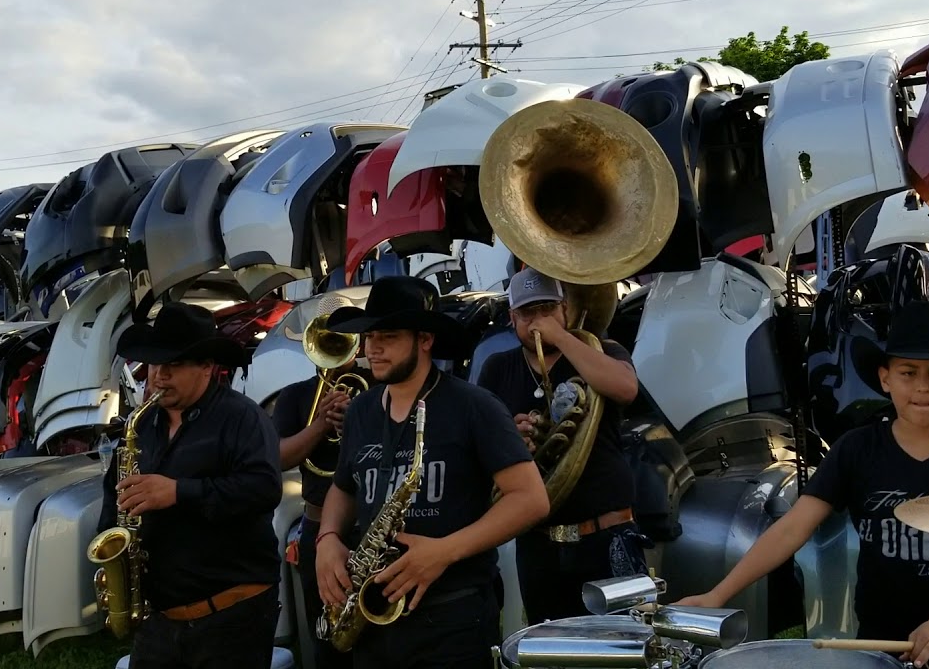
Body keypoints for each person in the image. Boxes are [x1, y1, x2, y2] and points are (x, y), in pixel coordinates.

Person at [675, 300, 929, 669]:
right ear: (885, 378)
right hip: (883, 641)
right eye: (908, 372)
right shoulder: (856, 448)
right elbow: (793, 528)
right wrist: (718, 594)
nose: (922, 387)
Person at [315, 275, 549, 669]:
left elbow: (530, 499)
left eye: (387, 335)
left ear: (425, 339)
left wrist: (444, 551)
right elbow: (343, 488)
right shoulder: (361, 410)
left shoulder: (474, 406)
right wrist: (327, 538)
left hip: (452, 617)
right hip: (373, 617)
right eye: (370, 336)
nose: (373, 347)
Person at [98, 302, 283, 669]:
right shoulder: (141, 426)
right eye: (154, 365)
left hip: (230, 615)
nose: (159, 377)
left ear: (207, 367)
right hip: (159, 618)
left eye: (173, 365)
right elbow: (115, 495)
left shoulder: (242, 419)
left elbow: (263, 489)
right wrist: (113, 544)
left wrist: (177, 492)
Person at [476, 266, 649, 624]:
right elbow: (477, 448)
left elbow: (626, 388)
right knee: (551, 648)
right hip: (539, 543)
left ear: (565, 309)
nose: (538, 320)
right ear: (512, 318)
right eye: (527, 313)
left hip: (607, 534)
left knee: (628, 643)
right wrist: (510, 437)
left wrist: (564, 337)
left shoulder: (601, 349)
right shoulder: (497, 368)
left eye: (547, 309)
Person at [273, 294, 373, 669]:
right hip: (318, 527)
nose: (337, 341)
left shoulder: (376, 389)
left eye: (345, 334)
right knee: (327, 631)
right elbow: (278, 457)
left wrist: (356, 424)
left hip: (370, 523)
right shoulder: (296, 395)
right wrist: (320, 426)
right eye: (329, 334)